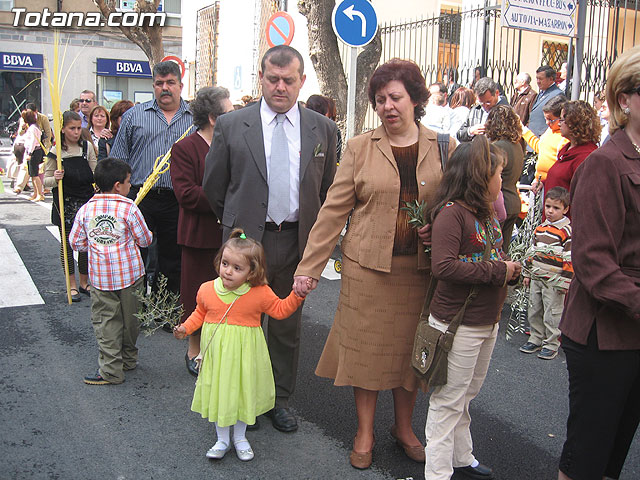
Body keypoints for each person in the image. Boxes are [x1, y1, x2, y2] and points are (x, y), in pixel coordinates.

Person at [292, 58, 456, 469]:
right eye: (380, 99)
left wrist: (437, 231)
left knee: (409, 355)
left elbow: (455, 209)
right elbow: (333, 211)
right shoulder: (360, 147)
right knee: (366, 354)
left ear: (415, 99)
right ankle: (363, 431)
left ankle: (404, 427)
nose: (388, 106)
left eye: (395, 97)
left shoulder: (443, 146)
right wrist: (309, 267)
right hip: (368, 270)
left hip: (420, 273)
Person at [203, 45, 338, 433]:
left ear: (302, 82)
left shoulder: (323, 129)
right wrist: (234, 228)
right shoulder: (232, 125)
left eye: (288, 80)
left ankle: (277, 400)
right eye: (273, 79)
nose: (280, 87)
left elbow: (327, 189)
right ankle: (243, 397)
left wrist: (316, 247)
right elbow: (215, 186)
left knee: (285, 328)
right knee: (240, 325)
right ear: (261, 78)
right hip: (247, 243)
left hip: (296, 242)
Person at [557, 45, 640, 480]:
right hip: (602, 334)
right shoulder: (605, 164)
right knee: (587, 455)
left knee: (614, 455)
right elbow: (593, 264)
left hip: (633, 330)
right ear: (624, 100)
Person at [425, 135, 521, 480]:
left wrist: (509, 268)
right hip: (458, 324)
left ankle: (462, 456)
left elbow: (492, 254)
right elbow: (444, 267)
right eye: (498, 174)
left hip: (485, 321)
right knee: (449, 399)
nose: (502, 181)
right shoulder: (452, 215)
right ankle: (437, 472)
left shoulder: (487, 213)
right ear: (480, 176)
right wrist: (500, 271)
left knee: (467, 394)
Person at [173, 229, 306, 461]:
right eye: (225, 263)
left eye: (237, 268)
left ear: (252, 271)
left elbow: (281, 310)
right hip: (218, 356)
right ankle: (222, 439)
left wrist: (297, 295)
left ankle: (240, 437)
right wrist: (185, 328)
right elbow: (199, 314)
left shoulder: (260, 293)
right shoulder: (207, 289)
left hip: (246, 356)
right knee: (220, 392)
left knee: (243, 392)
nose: (228, 271)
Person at [110, 61, 193, 294]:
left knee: (172, 256)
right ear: (153, 85)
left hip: (176, 199)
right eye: (159, 83)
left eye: (170, 83)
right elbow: (118, 159)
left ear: (180, 85)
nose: (164, 88)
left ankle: (164, 306)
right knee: (135, 253)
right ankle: (136, 306)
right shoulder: (133, 117)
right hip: (140, 197)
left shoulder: (195, 119)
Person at [69, 158, 153, 384]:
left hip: (101, 277)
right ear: (118, 185)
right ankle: (128, 359)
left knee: (106, 322)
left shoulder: (86, 210)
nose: (130, 185)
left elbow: (76, 242)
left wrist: (96, 246)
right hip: (130, 276)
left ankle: (110, 369)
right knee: (131, 320)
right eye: (128, 181)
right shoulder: (129, 208)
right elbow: (145, 240)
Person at [170, 86, 234, 376]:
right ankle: (193, 347)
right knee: (196, 295)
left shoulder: (233, 146)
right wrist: (228, 198)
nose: (234, 118)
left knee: (226, 294)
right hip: (198, 235)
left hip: (230, 236)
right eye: (229, 113)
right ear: (212, 118)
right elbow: (186, 194)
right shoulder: (185, 149)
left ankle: (219, 348)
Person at [44, 111, 97, 302]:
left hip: (85, 200)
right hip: (65, 203)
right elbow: (46, 181)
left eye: (78, 128)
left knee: (85, 244)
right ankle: (71, 284)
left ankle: (84, 281)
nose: (76, 132)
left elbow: (94, 171)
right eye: (71, 128)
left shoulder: (87, 147)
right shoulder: (56, 151)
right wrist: (55, 177)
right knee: (66, 244)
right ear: (63, 129)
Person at [519, 186, 572, 360]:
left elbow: (569, 257)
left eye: (556, 208)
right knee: (534, 308)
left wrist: (565, 282)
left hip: (554, 280)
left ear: (565, 209)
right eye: (548, 206)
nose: (550, 211)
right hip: (536, 276)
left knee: (552, 311)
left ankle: (551, 343)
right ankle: (536, 337)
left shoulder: (566, 231)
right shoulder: (540, 228)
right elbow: (532, 250)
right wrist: (527, 272)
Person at [543, 100, 601, 203]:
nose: (559, 124)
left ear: (574, 123)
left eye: (562, 120)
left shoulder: (585, 157)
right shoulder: (567, 149)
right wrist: (543, 183)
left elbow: (583, 197)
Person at [485, 105, 524, 251]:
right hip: (513, 201)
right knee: (504, 251)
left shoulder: (497, 147)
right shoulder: (517, 145)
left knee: (493, 251)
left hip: (499, 205)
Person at [521, 96, 569, 183]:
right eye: (545, 119)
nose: (547, 123)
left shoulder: (564, 138)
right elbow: (541, 147)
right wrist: (524, 131)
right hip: (539, 182)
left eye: (550, 120)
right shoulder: (550, 130)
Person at [456, 77, 510, 142]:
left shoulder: (507, 112)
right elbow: (459, 134)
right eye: (481, 102)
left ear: (497, 93)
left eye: (488, 102)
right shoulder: (475, 109)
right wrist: (470, 131)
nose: (485, 106)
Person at [527, 66, 563, 140]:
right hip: (533, 137)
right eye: (537, 78)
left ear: (550, 79)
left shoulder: (557, 94)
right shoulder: (541, 93)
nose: (538, 81)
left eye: (540, 79)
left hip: (543, 138)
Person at [21, 109, 45, 202]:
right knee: (32, 174)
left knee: (35, 174)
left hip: (34, 152)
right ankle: (36, 193)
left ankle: (40, 193)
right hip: (32, 151)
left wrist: (30, 153)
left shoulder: (33, 128)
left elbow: (32, 142)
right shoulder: (32, 127)